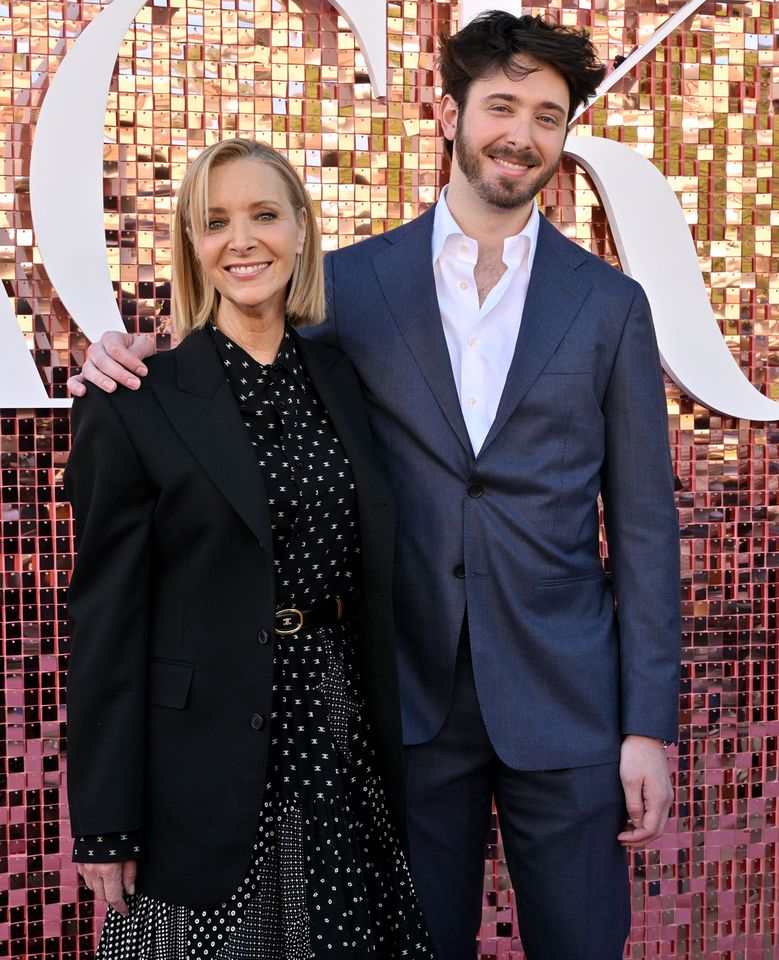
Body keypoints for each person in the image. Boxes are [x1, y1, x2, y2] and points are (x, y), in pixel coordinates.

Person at [69, 12, 681, 960]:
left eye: (547, 116)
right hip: (399, 703)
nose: (520, 135)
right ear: (448, 111)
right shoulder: (350, 288)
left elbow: (642, 529)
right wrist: (128, 354)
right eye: (501, 106)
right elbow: (233, 377)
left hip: (568, 705)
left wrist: (647, 727)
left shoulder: (609, 305)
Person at [64, 137, 433, 959]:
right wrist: (104, 821)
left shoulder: (343, 380)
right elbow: (105, 626)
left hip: (335, 735)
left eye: (263, 215)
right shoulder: (135, 399)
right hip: (195, 761)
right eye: (215, 221)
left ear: (300, 230)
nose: (241, 241)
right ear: (192, 245)